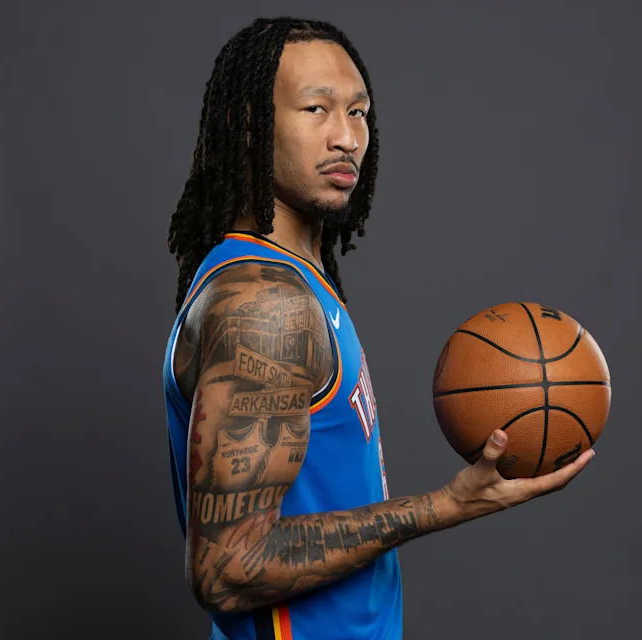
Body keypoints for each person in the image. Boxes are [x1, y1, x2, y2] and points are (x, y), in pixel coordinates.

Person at [163, 17, 595, 640]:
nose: (347, 137)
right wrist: (444, 507)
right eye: (316, 109)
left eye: (360, 113)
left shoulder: (299, 284)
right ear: (249, 124)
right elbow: (228, 570)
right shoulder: (263, 306)